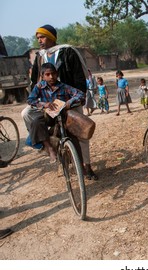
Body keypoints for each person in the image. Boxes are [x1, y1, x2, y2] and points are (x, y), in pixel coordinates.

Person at [21, 24, 98, 180]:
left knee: (81, 132)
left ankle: (87, 167)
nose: (39, 41)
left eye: (42, 37)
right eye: (38, 38)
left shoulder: (67, 52)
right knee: (26, 113)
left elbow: (79, 79)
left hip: (69, 100)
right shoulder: (40, 56)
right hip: (49, 103)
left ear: (51, 37)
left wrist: (75, 100)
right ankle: (46, 144)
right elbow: (34, 80)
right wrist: (40, 101)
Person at [26, 63, 85, 163]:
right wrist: (44, 104)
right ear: (42, 76)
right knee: (36, 122)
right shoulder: (39, 87)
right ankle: (49, 149)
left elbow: (80, 94)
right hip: (49, 116)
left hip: (64, 116)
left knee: (74, 139)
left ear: (57, 74)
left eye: (53, 74)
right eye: (48, 74)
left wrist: (69, 102)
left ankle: (81, 166)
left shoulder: (64, 87)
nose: (51, 77)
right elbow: (30, 100)